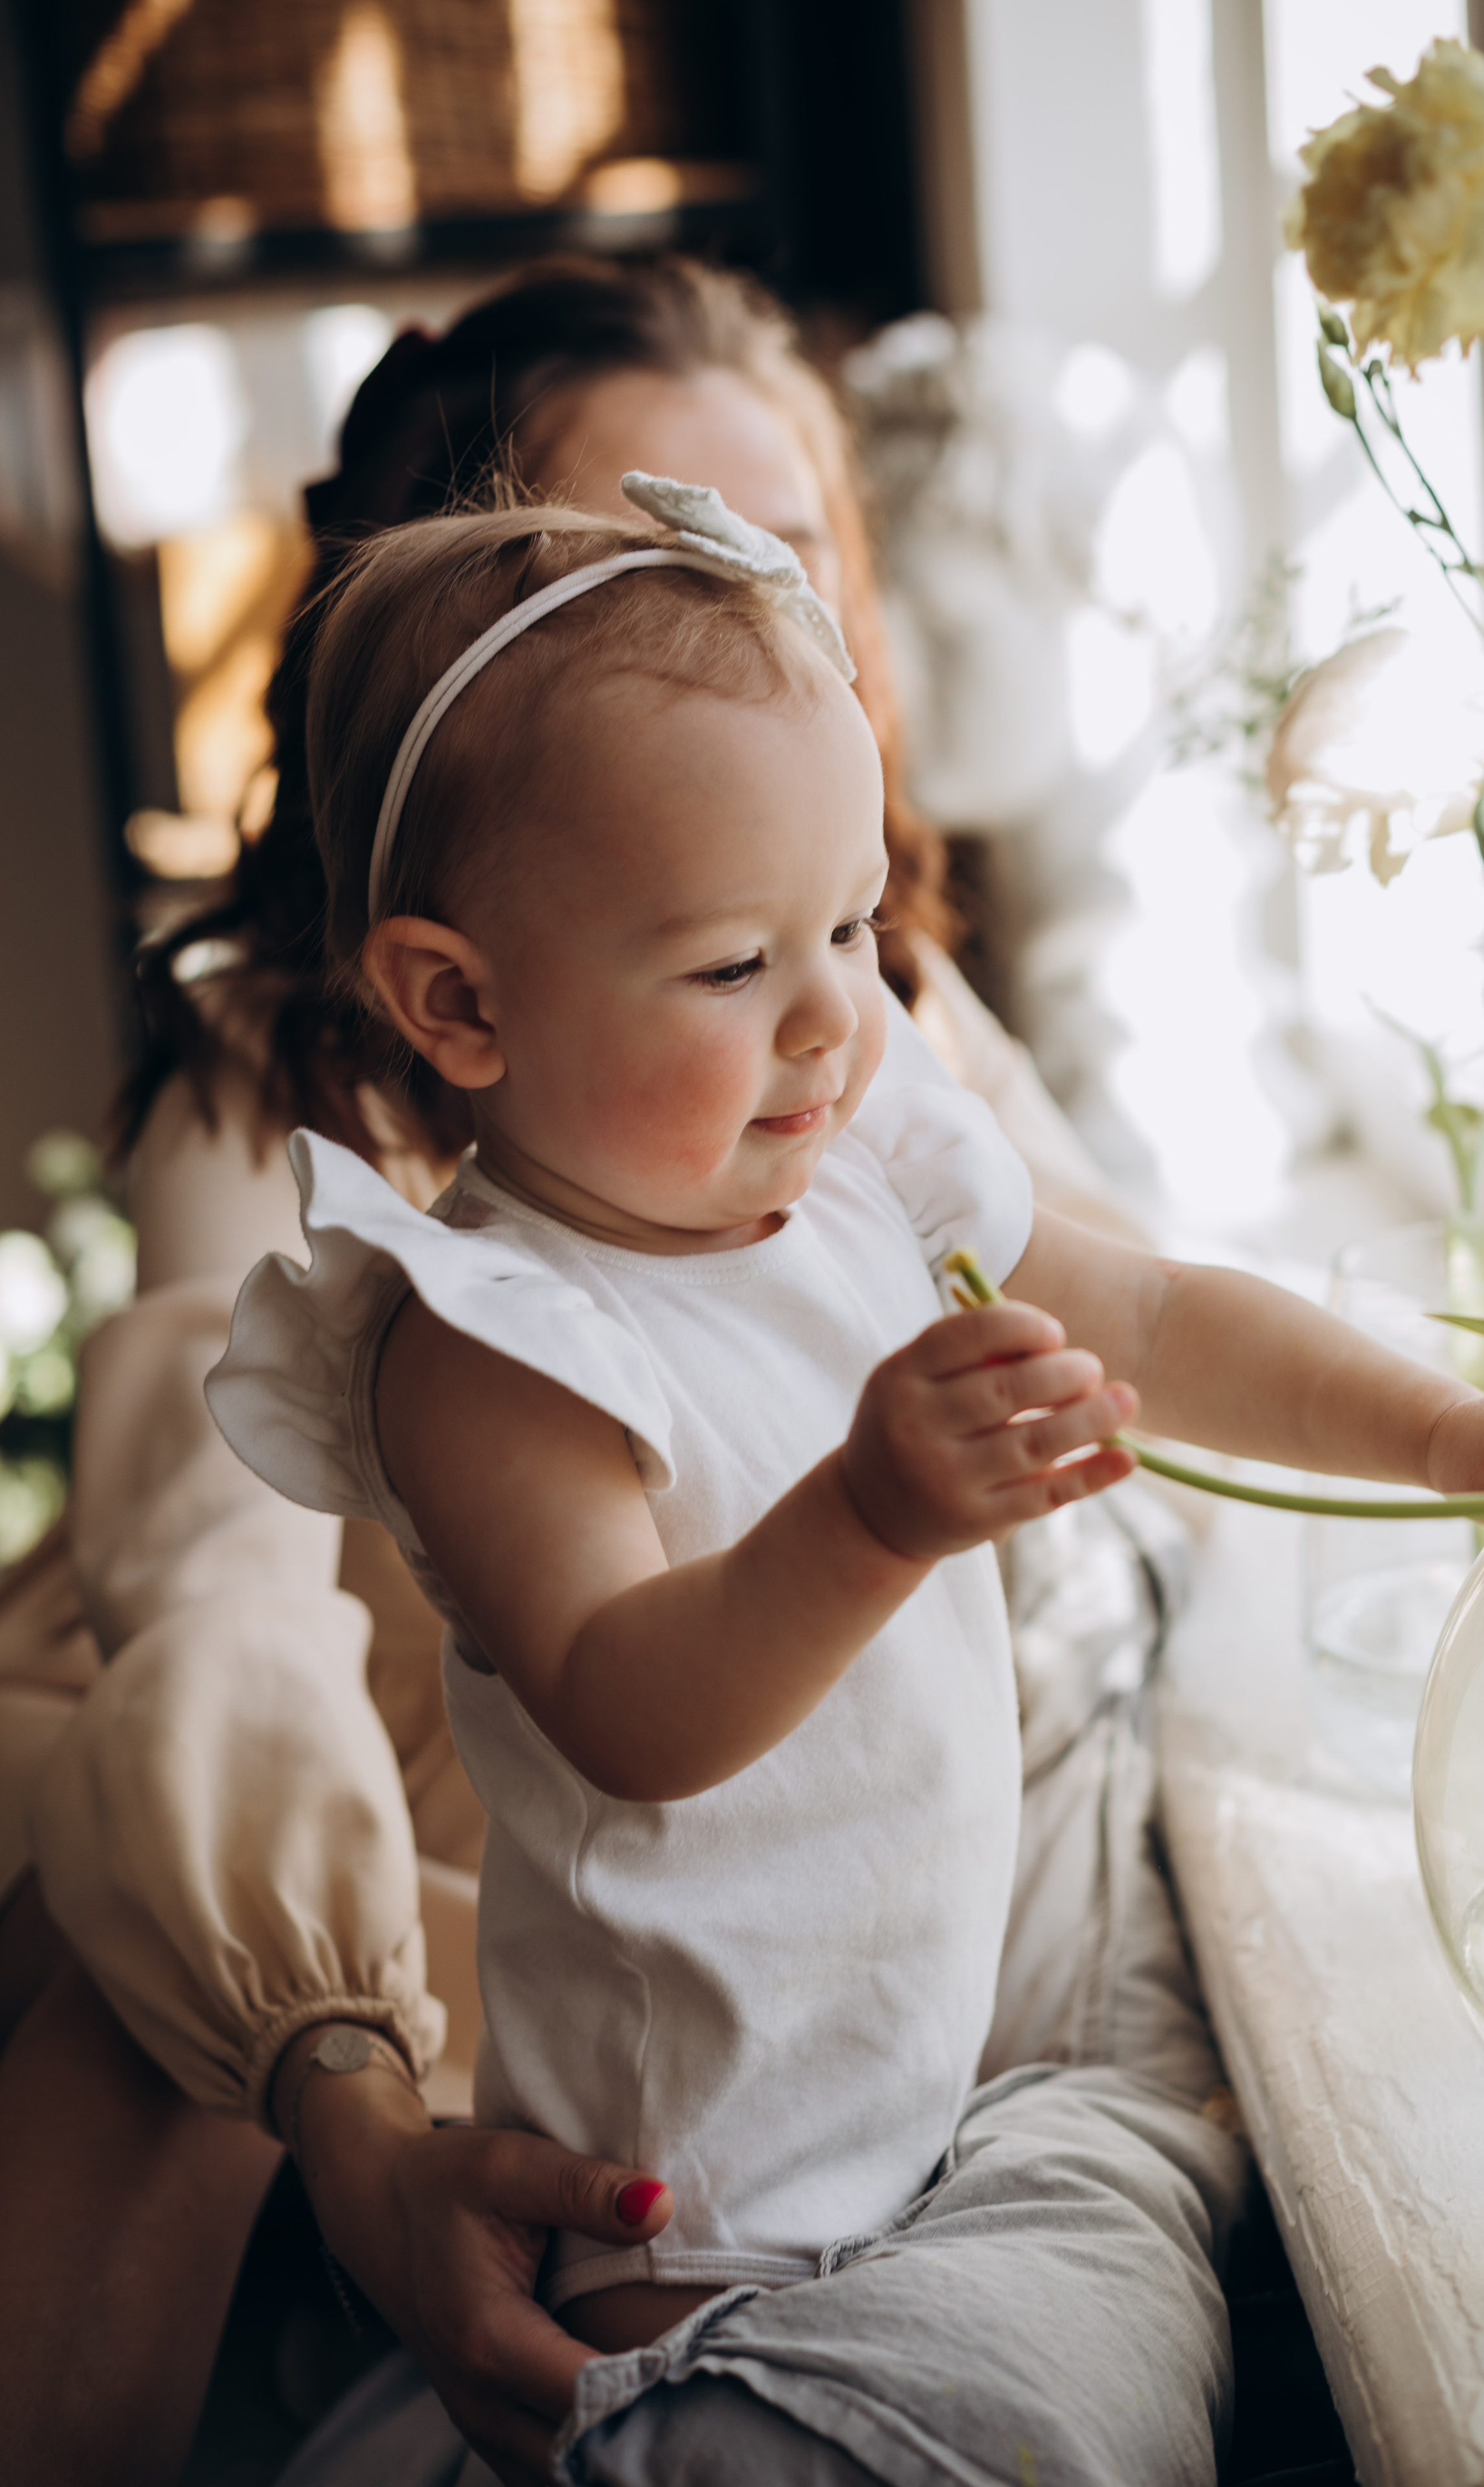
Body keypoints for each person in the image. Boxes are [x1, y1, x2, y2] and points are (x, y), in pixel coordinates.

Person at [210, 475, 1484, 2481]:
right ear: (461, 1003)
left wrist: (1440, 1431)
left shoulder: (860, 1148)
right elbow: (627, 1702)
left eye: (855, 925)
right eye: (727, 969)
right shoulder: (493, 1332)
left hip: (904, 2119)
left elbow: (1155, 1309)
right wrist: (872, 1517)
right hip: (675, 2224)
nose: (827, 1021)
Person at [0, 256, 1166, 2487]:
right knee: (136, 2040)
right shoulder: (279, 1080)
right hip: (389, 1831)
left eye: (776, 563)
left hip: (810, 1821)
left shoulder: (865, 1009)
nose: (728, 637)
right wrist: (340, 2092)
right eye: (616, 562)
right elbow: (227, 1621)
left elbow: (1139, 1303)